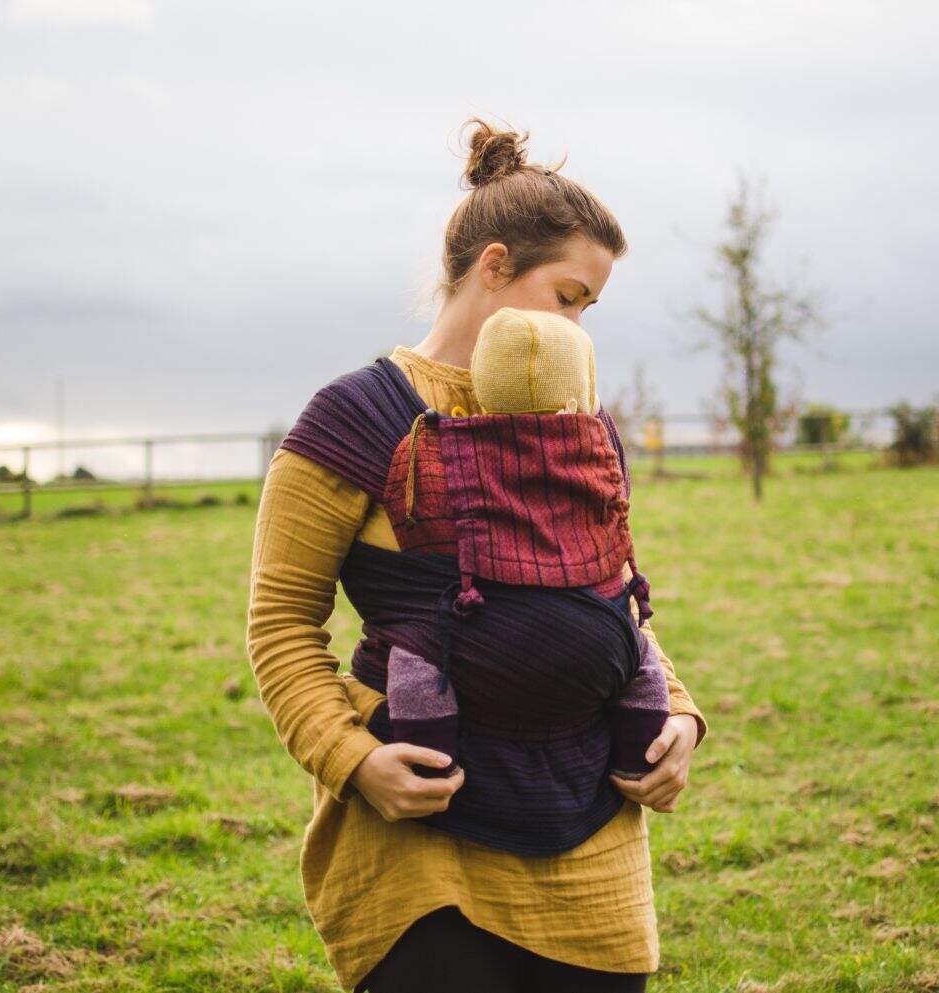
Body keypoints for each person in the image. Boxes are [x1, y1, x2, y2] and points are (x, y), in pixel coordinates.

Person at [245, 116, 708, 993]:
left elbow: (609, 598)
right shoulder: (355, 419)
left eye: (589, 308)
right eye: (567, 296)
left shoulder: (584, 421)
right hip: (425, 841)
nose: (578, 323)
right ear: (494, 266)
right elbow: (280, 624)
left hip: (592, 836)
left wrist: (679, 715)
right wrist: (352, 760)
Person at [378, 304, 670, 785]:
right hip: (594, 634)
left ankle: (429, 761)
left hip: (477, 624)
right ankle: (641, 754)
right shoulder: (598, 449)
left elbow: (414, 521)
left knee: (417, 659)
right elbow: (618, 516)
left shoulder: (437, 440)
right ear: (577, 398)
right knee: (640, 660)